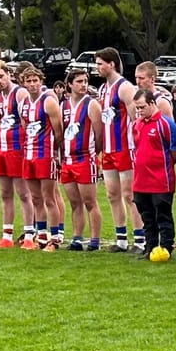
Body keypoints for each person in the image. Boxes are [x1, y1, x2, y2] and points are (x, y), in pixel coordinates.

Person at [93, 49, 137, 252]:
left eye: (101, 63)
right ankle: (121, 238)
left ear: (112, 64)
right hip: (109, 150)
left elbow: (136, 119)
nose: (97, 67)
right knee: (112, 194)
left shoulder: (125, 87)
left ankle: (140, 238)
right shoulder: (103, 88)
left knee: (129, 195)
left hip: (125, 148)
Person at [129, 86, 176, 256]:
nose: (139, 111)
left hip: (160, 180)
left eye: (142, 107)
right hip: (140, 180)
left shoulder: (165, 124)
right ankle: (149, 247)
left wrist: (161, 165)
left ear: (152, 103)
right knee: (147, 217)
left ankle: (166, 247)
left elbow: (175, 150)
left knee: (163, 215)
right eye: (137, 108)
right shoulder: (137, 124)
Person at [19, 63, 63, 250]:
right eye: (28, 81)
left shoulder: (48, 101)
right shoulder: (23, 104)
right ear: (23, 84)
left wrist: (55, 152)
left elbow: (58, 129)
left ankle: (54, 237)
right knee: (35, 198)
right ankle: (42, 236)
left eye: (35, 80)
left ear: (41, 82)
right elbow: (24, 127)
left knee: (49, 198)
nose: (32, 84)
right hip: (29, 155)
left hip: (46, 155)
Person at [0, 59, 28, 249]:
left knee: (24, 193)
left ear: (9, 74)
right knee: (5, 193)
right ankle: (7, 236)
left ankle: (29, 234)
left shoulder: (20, 93)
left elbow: (27, 122)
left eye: (1, 76)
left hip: (18, 148)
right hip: (1, 149)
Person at [58, 67, 102, 250]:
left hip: (85, 159)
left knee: (90, 202)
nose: (83, 85)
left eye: (85, 81)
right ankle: (77, 238)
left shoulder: (91, 104)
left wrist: (94, 154)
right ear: (69, 84)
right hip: (68, 160)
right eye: (79, 82)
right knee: (75, 202)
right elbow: (61, 133)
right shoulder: (63, 105)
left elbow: (100, 135)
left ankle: (94, 241)